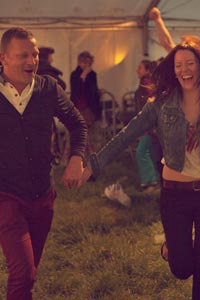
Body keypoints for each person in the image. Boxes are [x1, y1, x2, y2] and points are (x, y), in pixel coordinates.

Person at [81, 38, 200, 300]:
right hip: (175, 195)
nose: (184, 69)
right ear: (173, 70)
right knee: (182, 268)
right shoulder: (159, 105)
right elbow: (125, 136)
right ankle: (173, 249)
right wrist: (94, 164)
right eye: (178, 65)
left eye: (190, 63)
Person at [0, 27, 87, 300]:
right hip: (6, 196)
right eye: (23, 55)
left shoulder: (48, 88)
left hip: (43, 195)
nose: (31, 61)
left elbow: (77, 124)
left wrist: (76, 158)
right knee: (23, 272)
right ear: (3, 58)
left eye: (34, 54)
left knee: (30, 272)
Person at [134, 59, 160, 190]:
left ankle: (150, 181)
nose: (137, 70)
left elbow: (148, 105)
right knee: (150, 152)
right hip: (149, 125)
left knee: (141, 151)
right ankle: (155, 180)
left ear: (148, 70)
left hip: (149, 126)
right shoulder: (146, 82)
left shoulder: (147, 83)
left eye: (140, 68)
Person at [70, 51, 101, 127]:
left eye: (88, 63)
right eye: (84, 62)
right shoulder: (75, 74)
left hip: (91, 106)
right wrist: (83, 76)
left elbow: (93, 90)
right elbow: (76, 90)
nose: (86, 65)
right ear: (80, 63)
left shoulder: (92, 74)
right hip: (80, 106)